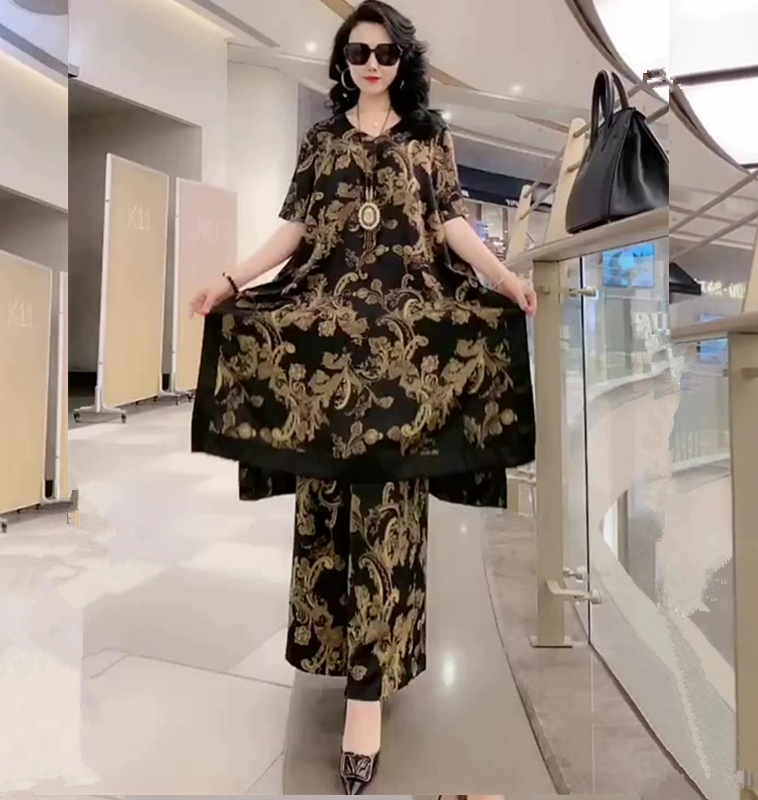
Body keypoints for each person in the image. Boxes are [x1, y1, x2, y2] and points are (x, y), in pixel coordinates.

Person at [190, 1, 537, 793]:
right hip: (329, 344)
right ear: (342, 62)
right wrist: (231, 281)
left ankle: (367, 695)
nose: (372, 64)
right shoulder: (321, 140)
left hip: (405, 353)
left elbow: (450, 224)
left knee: (388, 506)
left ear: (402, 60)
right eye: (358, 53)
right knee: (328, 500)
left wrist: (503, 278)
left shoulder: (429, 136)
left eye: (384, 52)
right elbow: (295, 231)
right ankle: (338, 652)